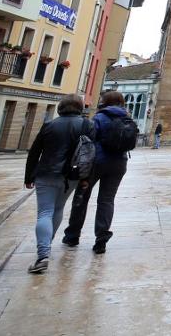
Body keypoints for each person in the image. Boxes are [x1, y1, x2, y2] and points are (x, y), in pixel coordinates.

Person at [63, 89, 137, 255]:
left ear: (105, 102)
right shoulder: (127, 118)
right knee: (107, 200)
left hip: (96, 162)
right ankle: (101, 239)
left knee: (82, 196)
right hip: (119, 163)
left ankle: (72, 235)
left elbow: (88, 140)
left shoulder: (99, 117)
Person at [24, 94, 90, 274]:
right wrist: (86, 178)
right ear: (80, 107)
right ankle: (46, 244)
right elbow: (90, 153)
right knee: (59, 208)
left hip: (46, 173)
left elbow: (34, 152)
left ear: (61, 107)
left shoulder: (49, 125)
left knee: (45, 212)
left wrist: (28, 177)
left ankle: (43, 254)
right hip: (72, 176)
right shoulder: (86, 125)